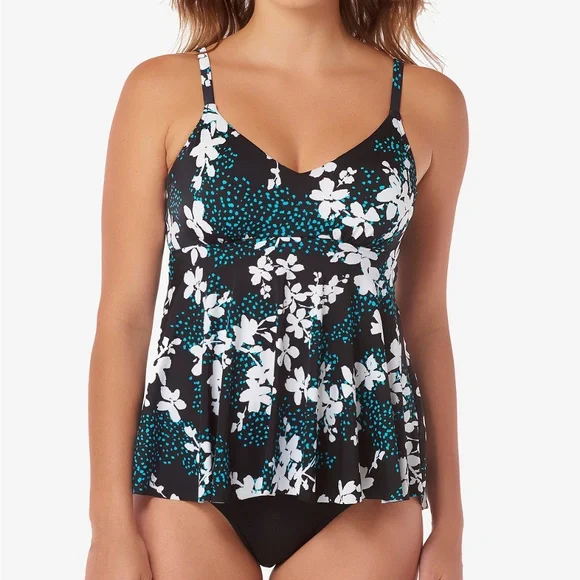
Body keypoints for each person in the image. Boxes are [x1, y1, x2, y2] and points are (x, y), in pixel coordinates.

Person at [85, 1, 468, 579]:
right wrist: (108, 528)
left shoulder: (430, 103)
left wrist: (452, 525)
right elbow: (123, 318)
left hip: (367, 474)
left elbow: (426, 321)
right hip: (189, 465)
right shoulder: (162, 91)